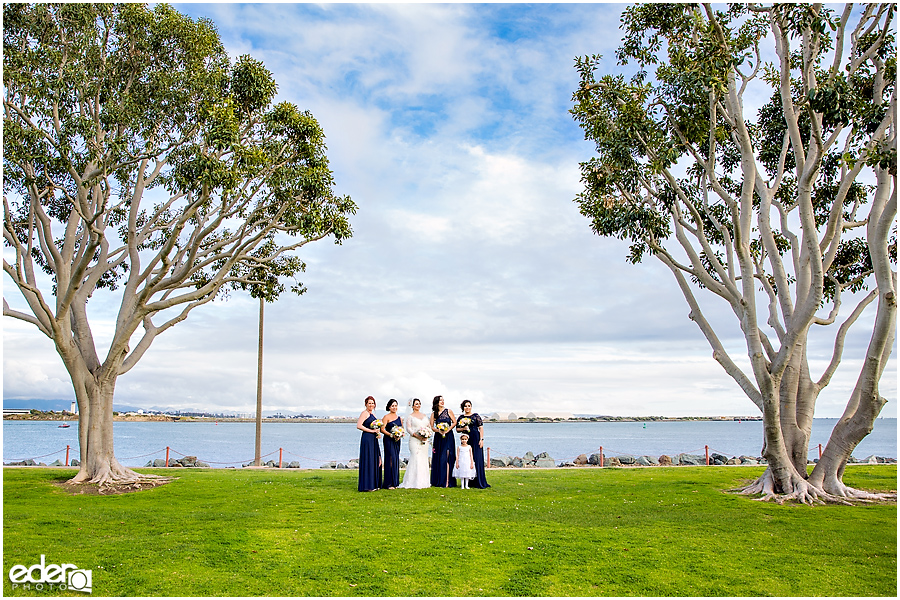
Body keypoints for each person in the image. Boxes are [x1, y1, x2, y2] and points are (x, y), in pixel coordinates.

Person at [399, 398, 431, 489]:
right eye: (416, 404)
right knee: (416, 458)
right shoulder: (410, 416)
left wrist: (427, 434)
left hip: (424, 440)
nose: (418, 405)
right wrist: (418, 436)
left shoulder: (424, 415)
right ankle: (413, 482)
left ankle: (423, 481)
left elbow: (428, 426)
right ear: (412, 406)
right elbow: (409, 429)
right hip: (414, 440)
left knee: (423, 459)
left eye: (419, 404)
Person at [458, 399, 490, 489]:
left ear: (471, 407)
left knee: (477, 458)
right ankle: (469, 482)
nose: (467, 407)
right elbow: (457, 429)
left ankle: (479, 481)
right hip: (466, 440)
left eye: (469, 406)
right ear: (463, 407)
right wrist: (463, 428)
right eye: (465, 406)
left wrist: (481, 439)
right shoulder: (461, 418)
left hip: (476, 438)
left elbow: (481, 428)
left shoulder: (476, 416)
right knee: (467, 460)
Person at [356, 396, 382, 492]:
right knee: (368, 459)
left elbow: (376, 427)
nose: (371, 405)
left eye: (372, 403)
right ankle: (367, 485)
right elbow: (359, 425)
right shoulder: (364, 413)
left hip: (374, 439)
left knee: (375, 459)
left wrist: (377, 433)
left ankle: (374, 484)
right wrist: (371, 431)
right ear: (366, 404)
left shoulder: (373, 414)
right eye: (369, 403)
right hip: (367, 438)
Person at [429, 395, 456, 487]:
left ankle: (448, 481)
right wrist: (439, 430)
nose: (442, 402)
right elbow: (432, 427)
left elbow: (454, 422)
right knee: (440, 458)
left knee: (448, 457)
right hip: (438, 437)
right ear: (436, 402)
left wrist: (448, 429)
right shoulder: (434, 414)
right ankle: (440, 480)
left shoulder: (448, 411)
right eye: (440, 400)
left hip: (448, 436)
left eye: (443, 400)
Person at [381, 398, 403, 489]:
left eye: (395, 406)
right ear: (389, 407)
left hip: (397, 441)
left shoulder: (399, 418)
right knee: (390, 459)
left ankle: (395, 482)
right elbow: (382, 429)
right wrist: (391, 435)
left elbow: (402, 429)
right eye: (392, 406)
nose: (394, 407)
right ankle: (388, 483)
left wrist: (400, 435)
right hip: (388, 440)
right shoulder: (386, 417)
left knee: (395, 459)